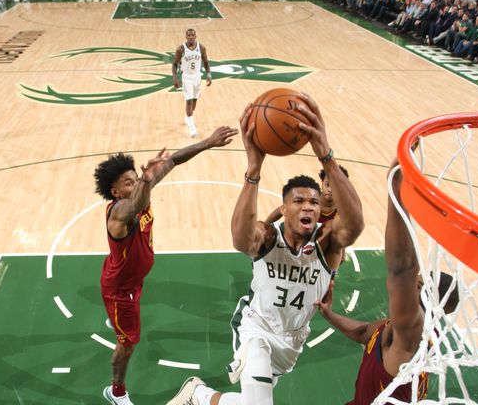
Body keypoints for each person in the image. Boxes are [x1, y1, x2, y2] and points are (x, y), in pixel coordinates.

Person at [168, 94, 364, 405]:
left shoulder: (327, 244)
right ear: (284, 208)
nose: (308, 207)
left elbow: (354, 225)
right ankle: (200, 396)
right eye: (298, 201)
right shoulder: (269, 237)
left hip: (292, 340)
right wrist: (254, 169)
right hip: (255, 328)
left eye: (313, 202)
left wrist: (325, 153)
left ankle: (200, 396)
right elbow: (240, 239)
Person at [94, 126, 238, 405]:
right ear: (114, 190)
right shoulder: (119, 214)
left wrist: (208, 142)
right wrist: (145, 183)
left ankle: (115, 321)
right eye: (128, 182)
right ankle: (117, 392)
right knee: (127, 344)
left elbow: (172, 160)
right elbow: (134, 205)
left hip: (129, 277)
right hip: (121, 292)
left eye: (135, 178)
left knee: (124, 328)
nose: (134, 183)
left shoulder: (139, 190)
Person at [315, 159, 459, 404]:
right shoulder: (399, 328)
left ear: (424, 291)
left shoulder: (412, 331)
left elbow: (401, 268)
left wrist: (396, 192)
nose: (414, 279)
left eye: (418, 281)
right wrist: (330, 315)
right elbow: (365, 332)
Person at [264, 164, 350, 224]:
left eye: (335, 186)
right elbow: (280, 211)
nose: (330, 190)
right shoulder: (309, 198)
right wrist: (265, 227)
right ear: (322, 182)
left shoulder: (344, 209)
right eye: (327, 185)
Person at [172, 29, 212, 138]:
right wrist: (175, 78)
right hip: (186, 77)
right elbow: (174, 64)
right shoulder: (181, 49)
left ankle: (188, 117)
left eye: (192, 35)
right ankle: (192, 128)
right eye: (189, 35)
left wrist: (209, 75)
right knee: (189, 101)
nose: (191, 37)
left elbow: (206, 62)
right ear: (186, 36)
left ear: (195, 36)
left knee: (194, 101)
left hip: (197, 76)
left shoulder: (201, 48)